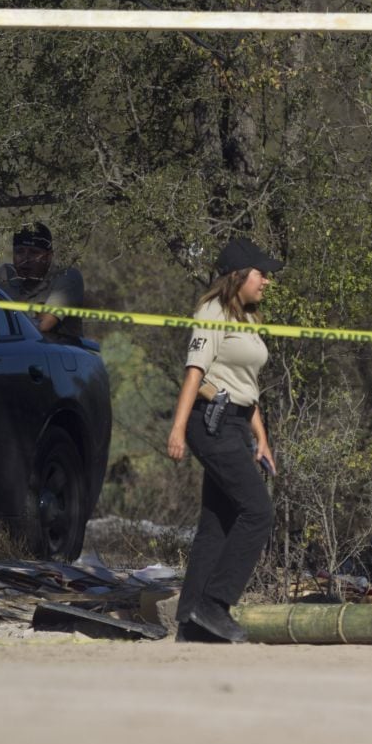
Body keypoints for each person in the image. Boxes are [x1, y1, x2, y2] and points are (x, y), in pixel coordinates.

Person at [166, 236, 284, 643]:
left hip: (237, 423)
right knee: (258, 513)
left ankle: (190, 621)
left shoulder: (249, 319)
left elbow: (247, 389)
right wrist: (178, 429)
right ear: (238, 276)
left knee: (217, 524)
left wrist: (262, 441)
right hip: (209, 424)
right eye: (261, 274)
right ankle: (214, 605)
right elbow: (195, 374)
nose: (266, 281)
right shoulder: (211, 312)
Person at [0, 222, 86, 338]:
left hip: (59, 352)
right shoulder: (5, 274)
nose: (25, 259)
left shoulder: (67, 276)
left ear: (48, 257)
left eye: (34, 252)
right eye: (19, 252)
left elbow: (43, 324)